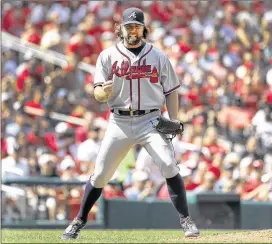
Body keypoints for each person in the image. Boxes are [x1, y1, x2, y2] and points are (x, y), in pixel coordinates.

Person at [62, 7, 200, 240]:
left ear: (144, 29)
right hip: (119, 121)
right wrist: (101, 93)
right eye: (129, 26)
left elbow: (172, 91)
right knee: (101, 175)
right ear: (121, 28)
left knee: (168, 163)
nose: (133, 30)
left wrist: (174, 119)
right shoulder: (107, 55)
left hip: (151, 119)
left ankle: (186, 220)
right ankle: (79, 220)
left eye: (137, 26)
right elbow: (96, 92)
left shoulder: (158, 56)